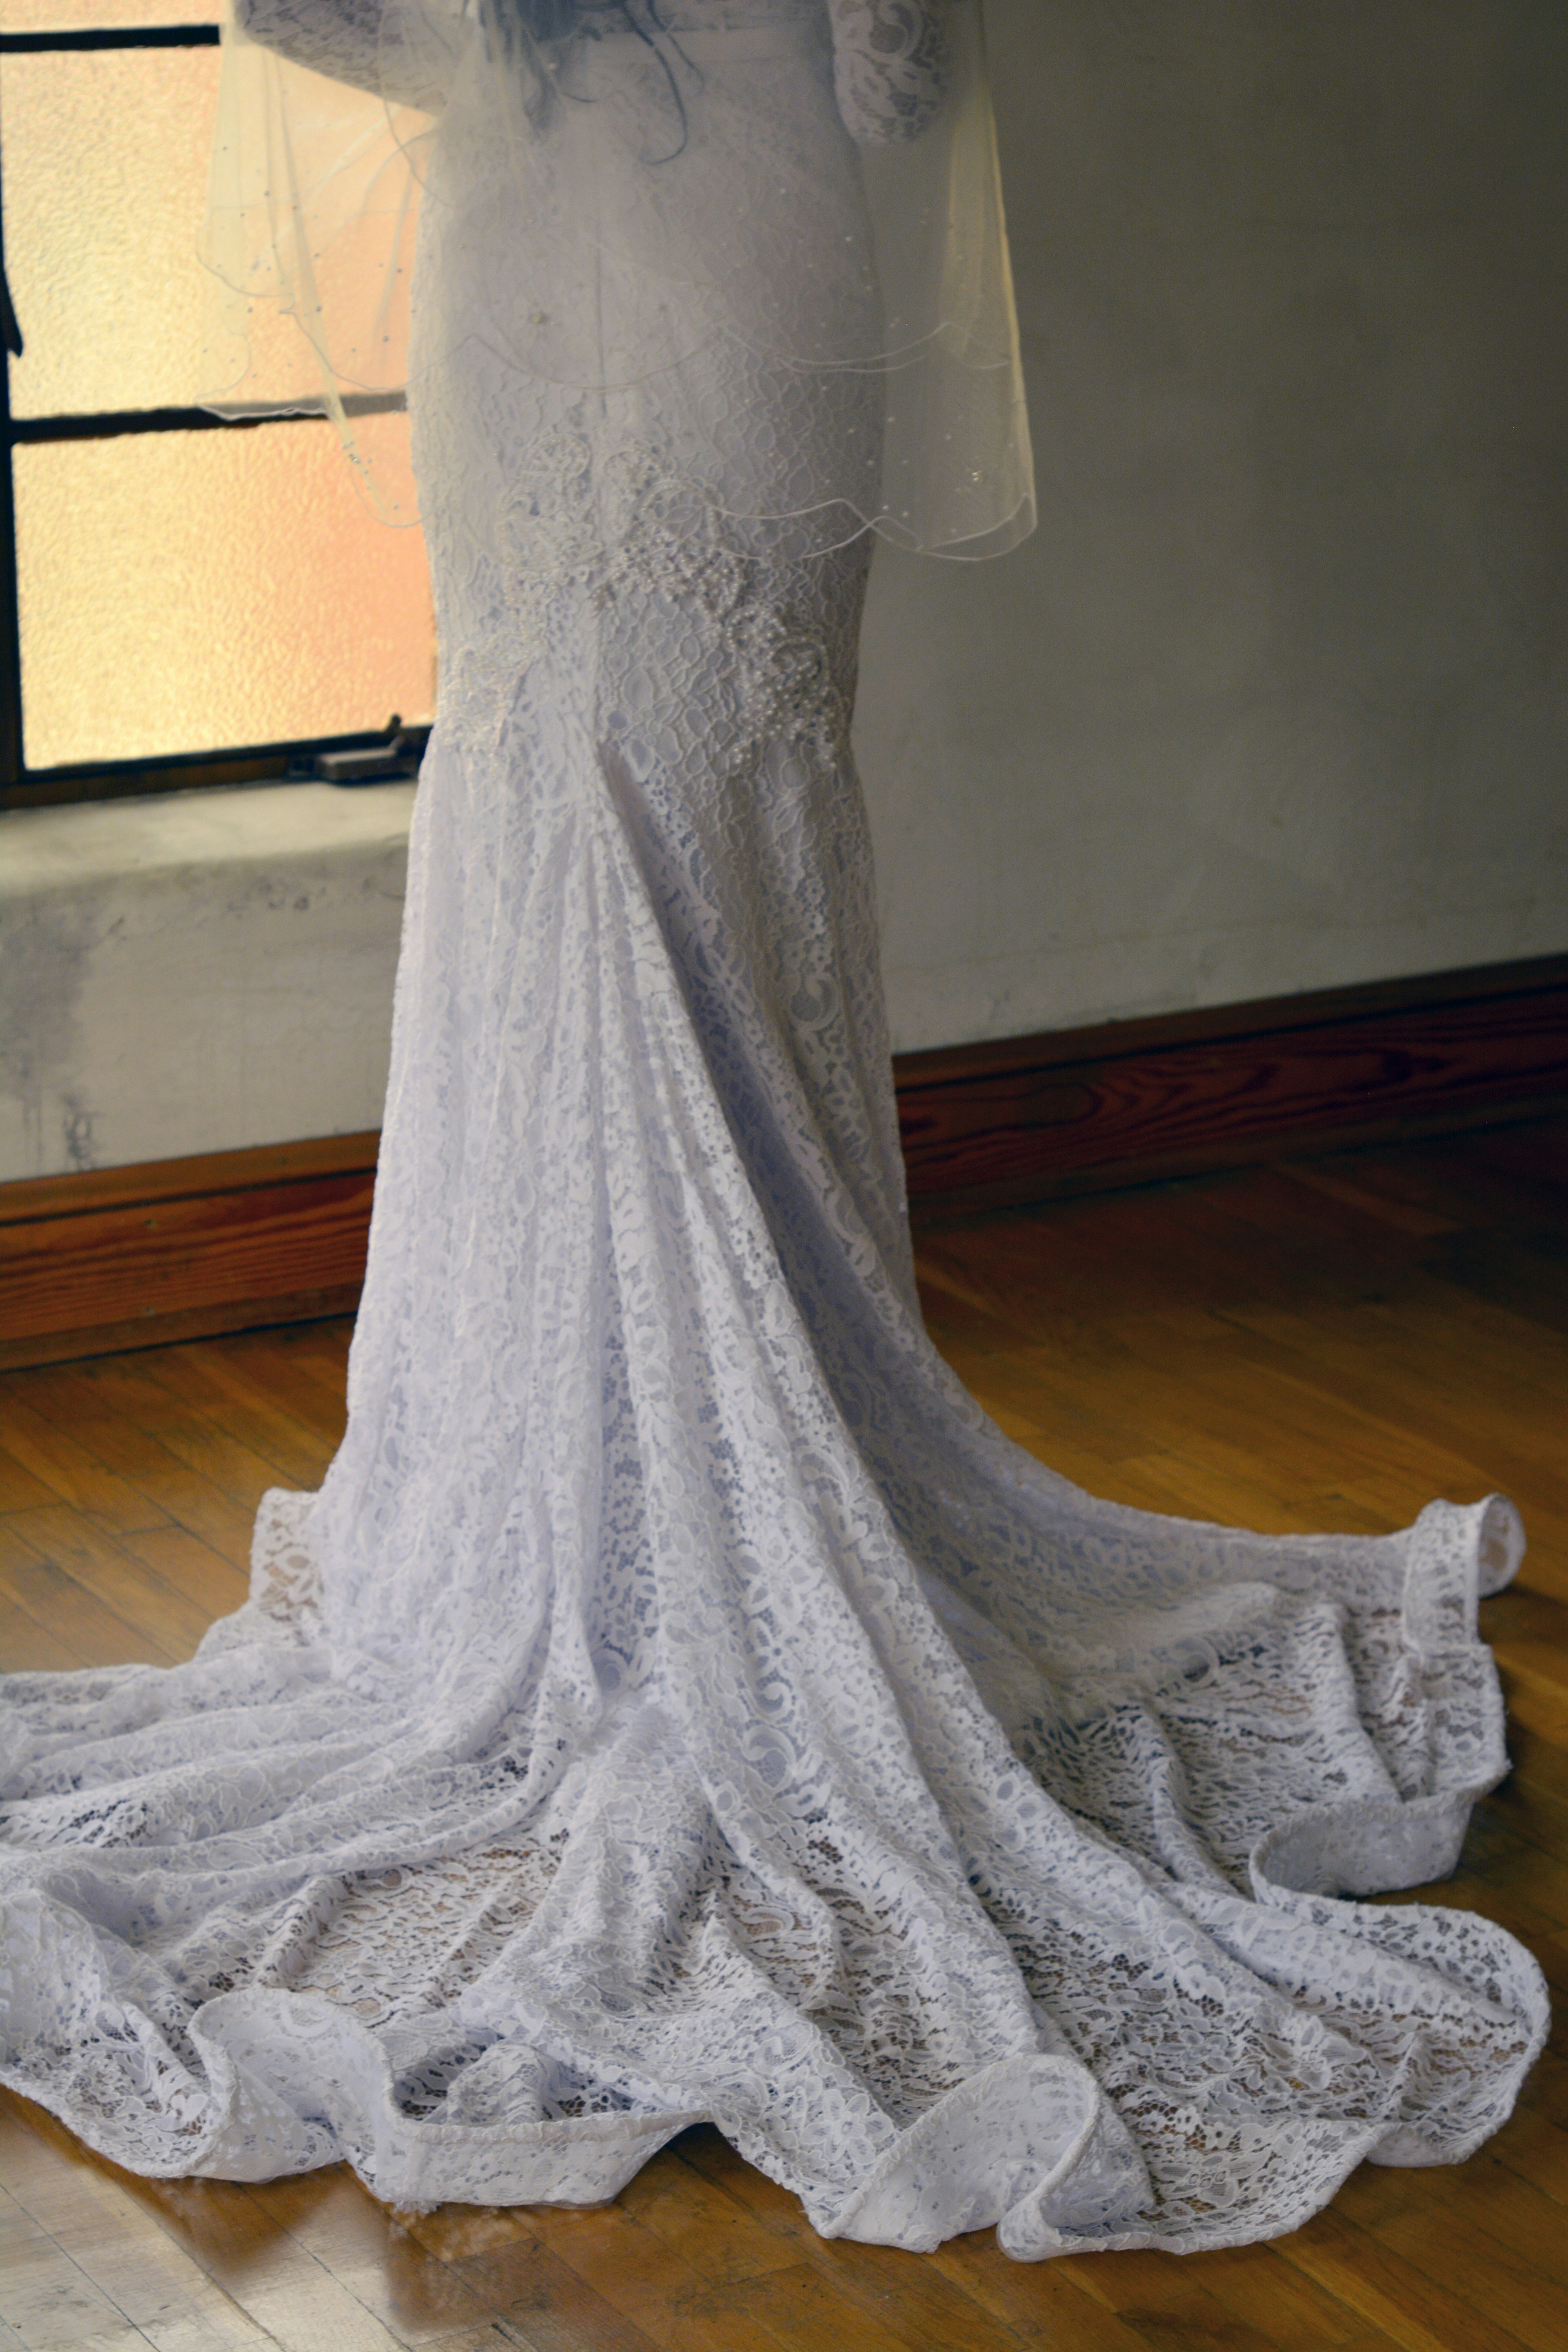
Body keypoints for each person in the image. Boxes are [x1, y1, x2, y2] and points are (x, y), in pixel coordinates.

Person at [0, 0, 1546, 2258]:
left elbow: (348, 21)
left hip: (541, 254)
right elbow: (895, 70)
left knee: (613, 791)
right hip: (724, 252)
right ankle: (633, 1497)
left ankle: (631, 1496)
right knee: (652, 798)